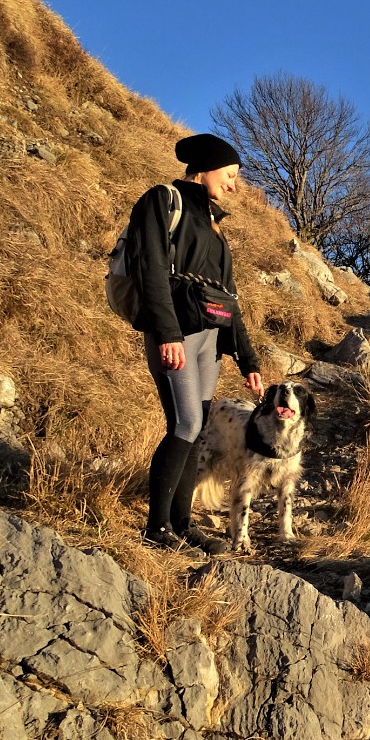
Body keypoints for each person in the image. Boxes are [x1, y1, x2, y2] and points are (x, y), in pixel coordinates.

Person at [130, 133, 263, 553]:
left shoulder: (214, 227)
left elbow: (230, 300)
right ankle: (157, 528)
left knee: (197, 426)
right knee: (185, 423)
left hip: (210, 340)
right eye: (229, 175)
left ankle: (182, 524)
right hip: (178, 333)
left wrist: (249, 360)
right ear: (205, 168)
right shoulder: (162, 201)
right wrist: (166, 333)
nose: (233, 185)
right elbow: (151, 270)